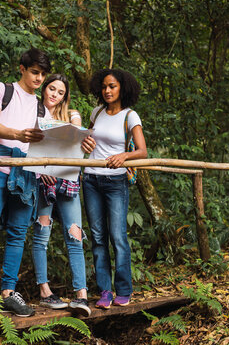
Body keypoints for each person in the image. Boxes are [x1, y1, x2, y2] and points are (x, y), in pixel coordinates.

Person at [0, 48, 51, 317]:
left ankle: (8, 293)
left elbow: (49, 142)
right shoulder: (1, 90)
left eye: (43, 74)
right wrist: (18, 134)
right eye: (35, 72)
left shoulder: (42, 107)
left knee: (18, 233)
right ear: (22, 69)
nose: (39, 78)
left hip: (27, 170)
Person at [83, 69, 147, 309]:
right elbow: (87, 141)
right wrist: (85, 142)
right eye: (104, 87)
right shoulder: (96, 112)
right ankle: (104, 291)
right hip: (90, 179)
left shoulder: (130, 116)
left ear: (122, 88)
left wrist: (124, 155)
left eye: (112, 86)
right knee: (98, 237)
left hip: (115, 182)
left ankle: (124, 290)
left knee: (118, 237)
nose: (107, 91)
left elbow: (142, 151)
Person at [32, 74, 94, 316]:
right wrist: (40, 171)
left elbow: (80, 140)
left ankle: (82, 296)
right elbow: (28, 149)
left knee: (75, 234)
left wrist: (84, 137)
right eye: (51, 89)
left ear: (64, 97)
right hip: (43, 181)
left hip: (67, 180)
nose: (54, 94)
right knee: (41, 234)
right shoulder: (33, 112)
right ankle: (45, 292)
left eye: (60, 92)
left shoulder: (71, 116)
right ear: (44, 89)